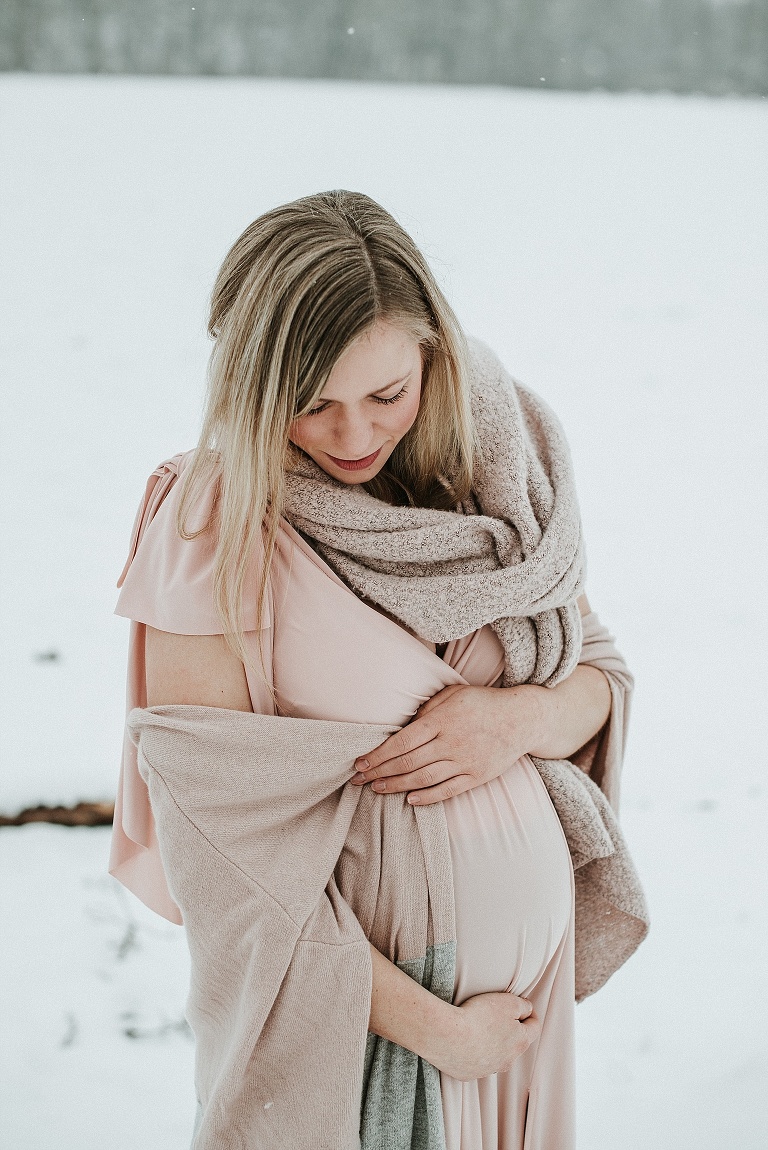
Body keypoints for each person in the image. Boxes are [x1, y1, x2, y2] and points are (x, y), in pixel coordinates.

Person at [110, 189, 639, 1149]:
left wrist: (514, 721)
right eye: (311, 405)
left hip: (516, 1027)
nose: (354, 438)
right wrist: (441, 1033)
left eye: (385, 396)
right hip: (367, 1038)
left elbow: (598, 677)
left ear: (432, 352)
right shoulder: (211, 528)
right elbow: (232, 868)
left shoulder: (497, 473)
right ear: (254, 385)